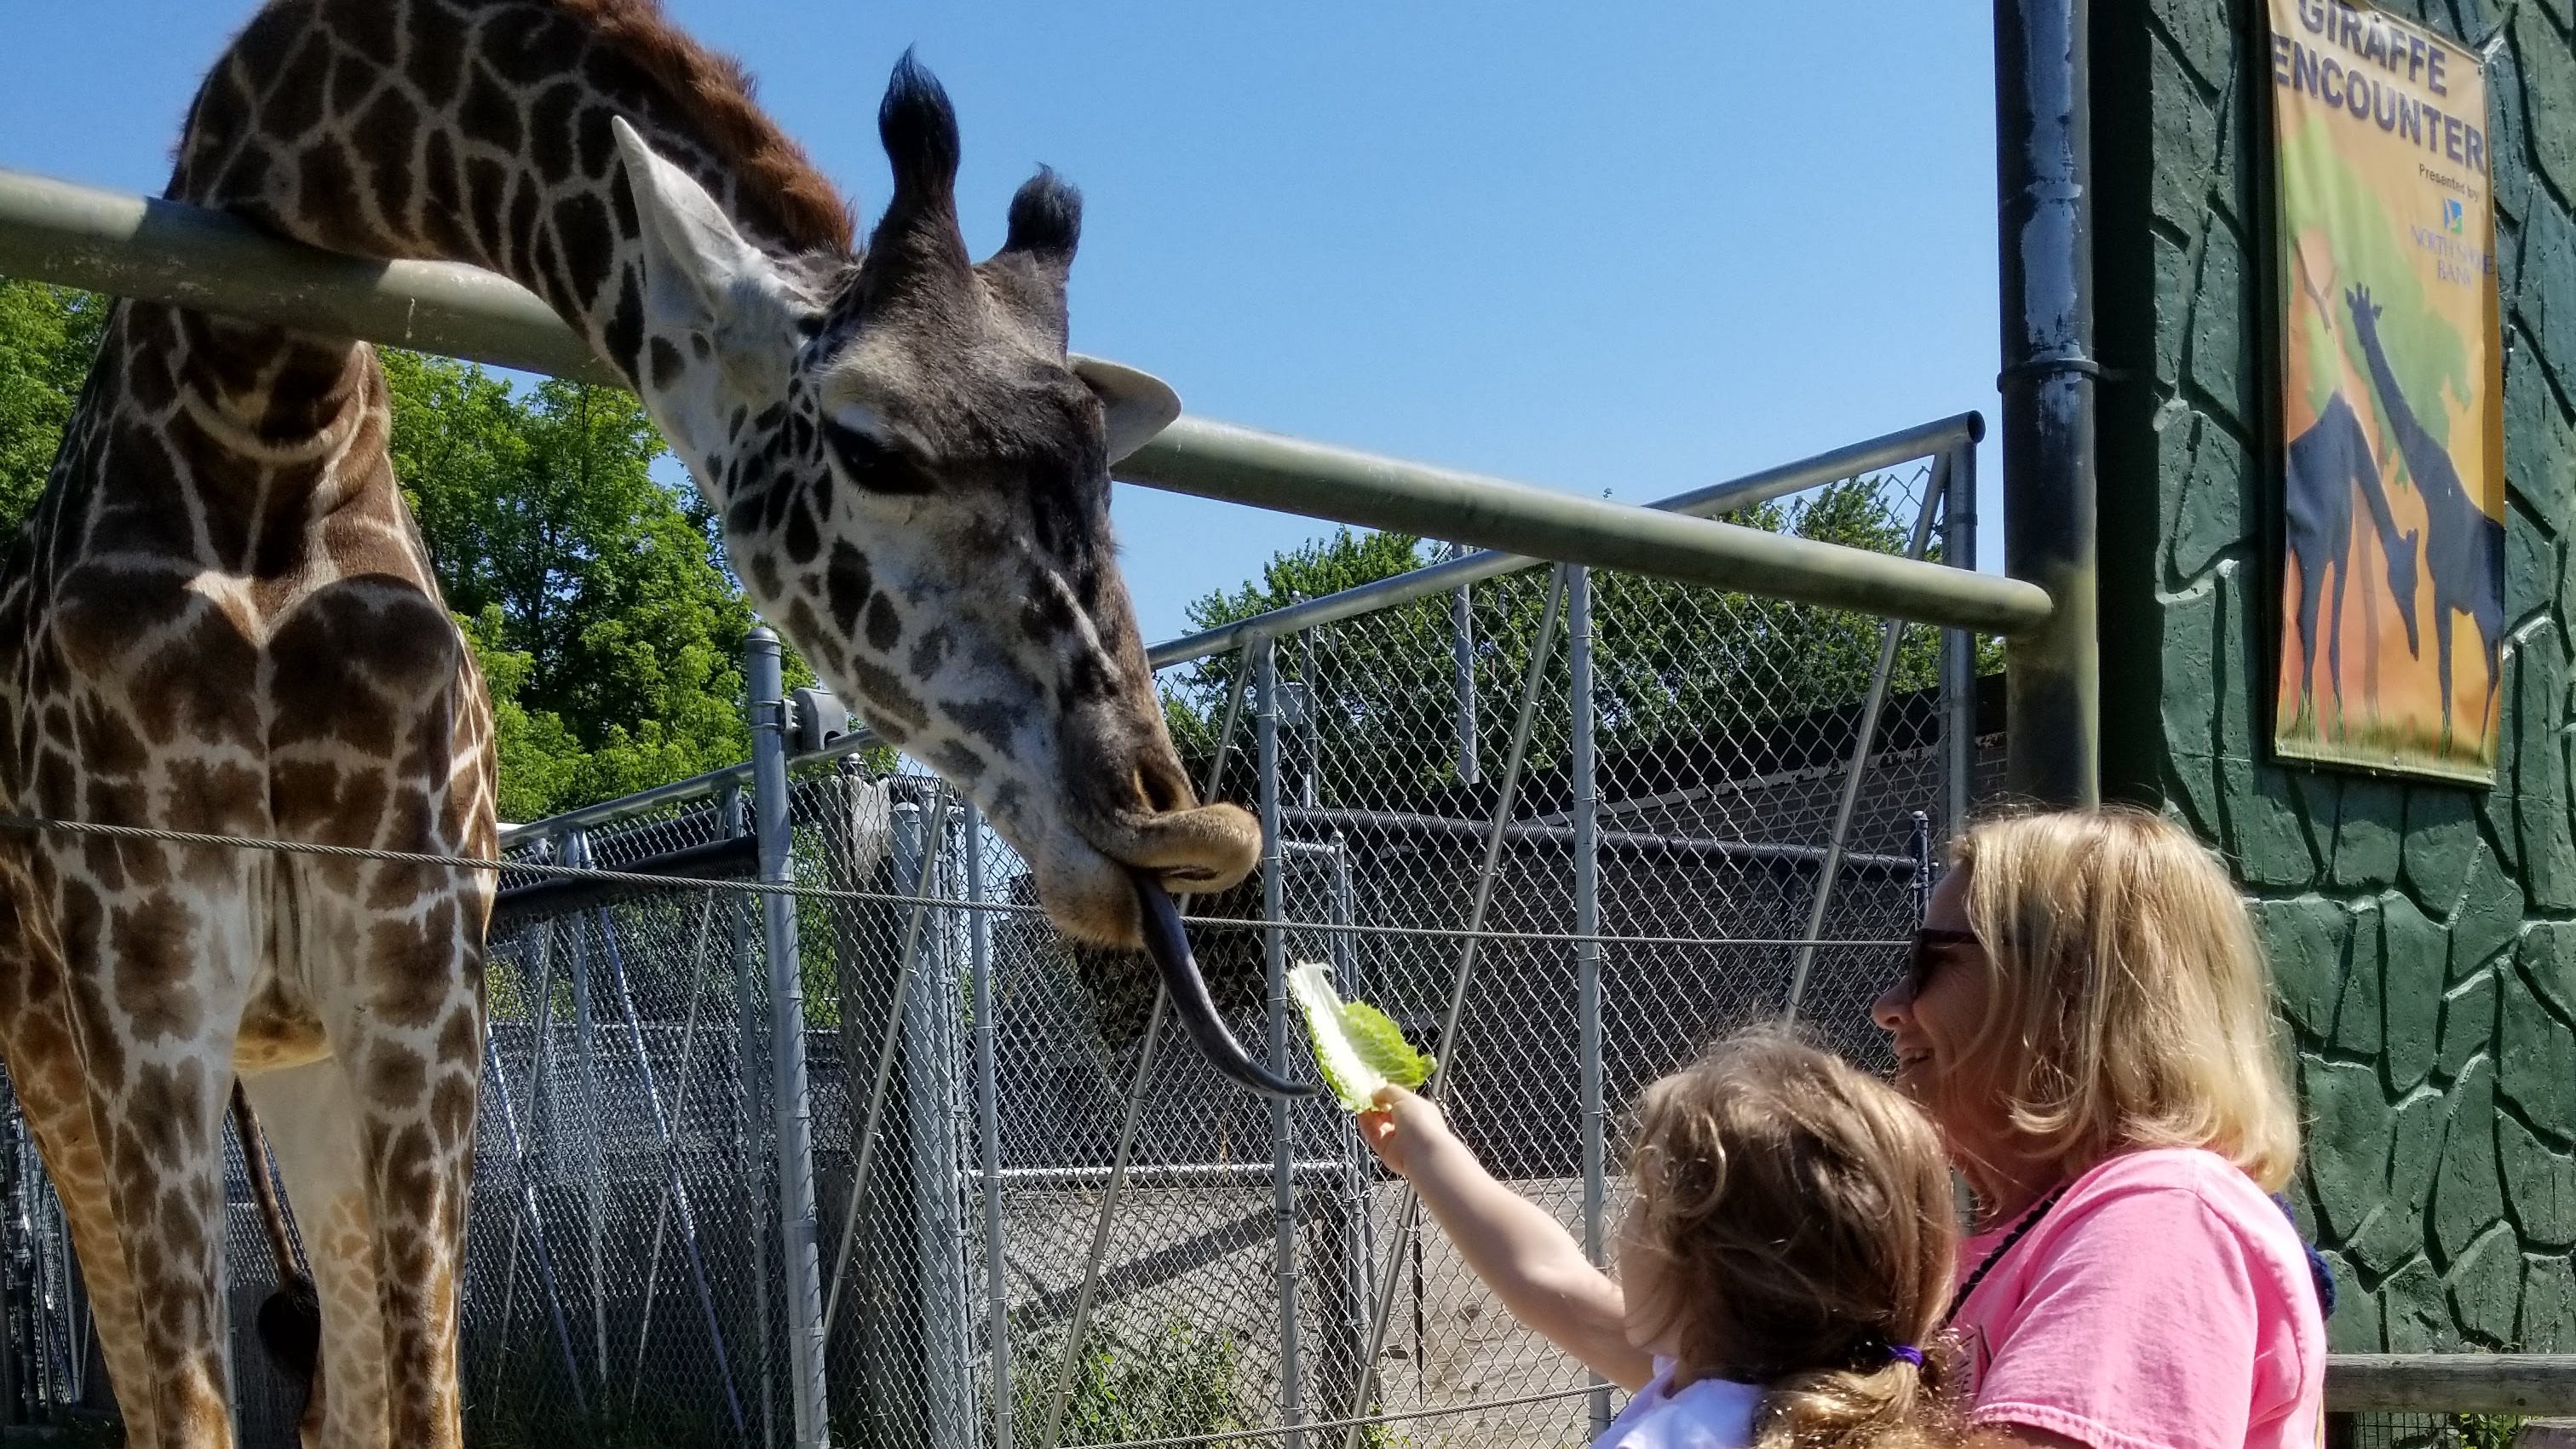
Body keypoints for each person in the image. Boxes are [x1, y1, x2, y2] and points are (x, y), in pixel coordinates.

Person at [1872, 806, 2327, 1449]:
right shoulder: (2065, 1223)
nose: (1887, 1007)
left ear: (2071, 990)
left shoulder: (2162, 1220)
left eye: (1929, 963)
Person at [1360, 1031, 1959, 1449]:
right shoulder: (1812, 1397)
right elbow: (1548, 1275)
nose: (1620, 1230)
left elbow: (1557, 1279)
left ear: (1696, 1261)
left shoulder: (1684, 1434)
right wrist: (1426, 1153)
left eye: (1641, 1206)